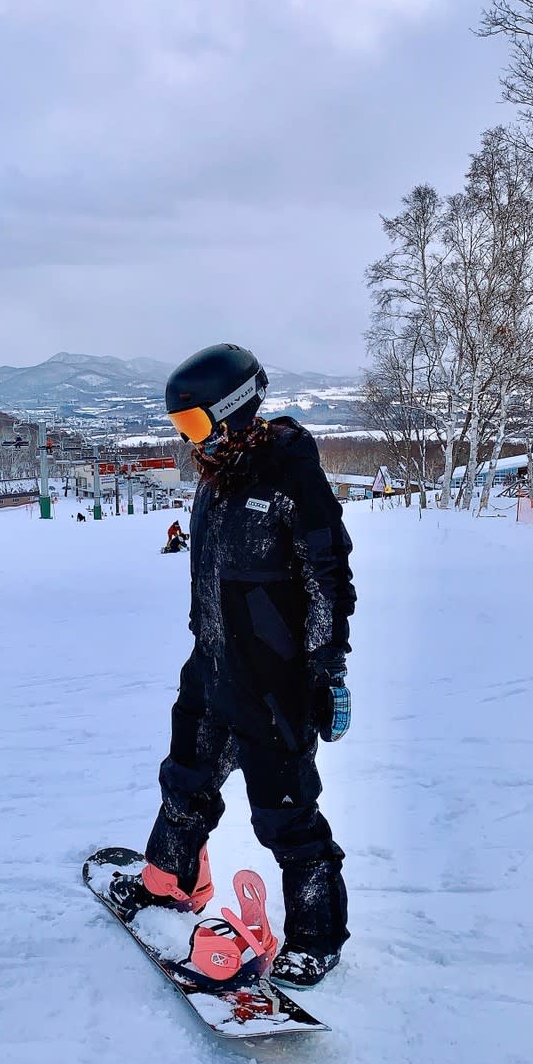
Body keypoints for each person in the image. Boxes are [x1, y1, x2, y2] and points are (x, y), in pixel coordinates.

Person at [110, 343, 355, 987]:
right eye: (180, 427)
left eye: (193, 424)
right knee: (185, 781)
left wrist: (327, 668)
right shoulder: (218, 475)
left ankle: (315, 934)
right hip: (211, 665)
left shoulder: (290, 474)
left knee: (285, 813)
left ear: (232, 410)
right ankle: (171, 883)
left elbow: (328, 578)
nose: (189, 440)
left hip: (274, 680)